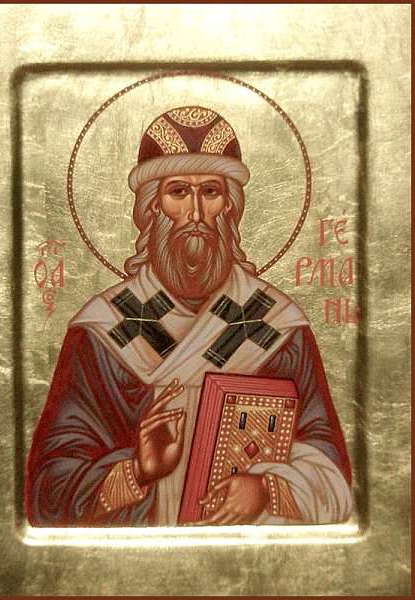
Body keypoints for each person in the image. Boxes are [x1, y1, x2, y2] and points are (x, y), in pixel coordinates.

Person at [26, 106, 353, 527]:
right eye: (178, 192)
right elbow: (47, 492)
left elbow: (334, 472)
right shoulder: (102, 333)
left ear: (230, 207)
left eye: (210, 192)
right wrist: (136, 472)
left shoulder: (277, 328)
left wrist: (269, 490)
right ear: (152, 207)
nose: (196, 214)